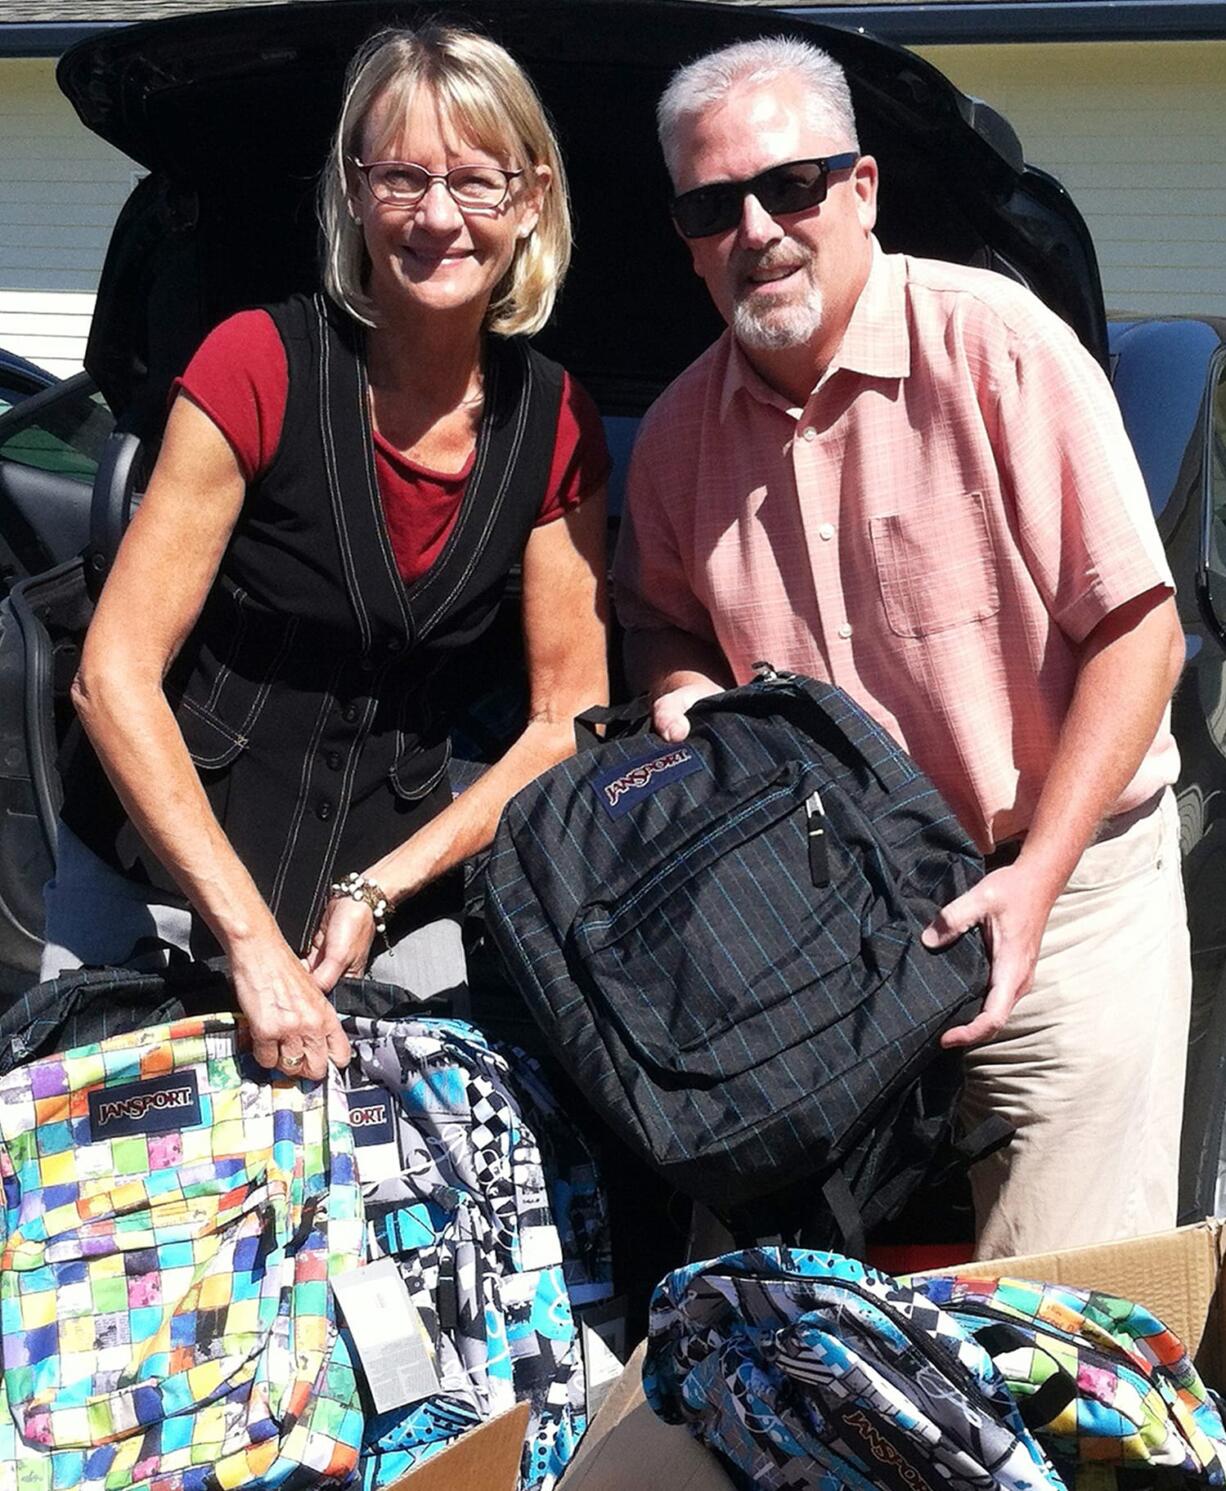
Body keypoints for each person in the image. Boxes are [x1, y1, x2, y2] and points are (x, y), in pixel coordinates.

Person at [612, 36, 1189, 1257]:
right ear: (684, 236)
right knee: (809, 1338)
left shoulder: (998, 349)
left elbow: (1140, 638)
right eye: (713, 206)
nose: (757, 228)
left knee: (1061, 1326)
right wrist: (678, 685)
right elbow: (655, 608)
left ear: (860, 189)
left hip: (1059, 897)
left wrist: (1031, 888)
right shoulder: (672, 438)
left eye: (791, 186)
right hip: (822, 936)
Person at [45, 24, 609, 1083]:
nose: (437, 216)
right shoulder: (256, 364)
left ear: (529, 201)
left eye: (476, 182)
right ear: (354, 191)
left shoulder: (558, 423)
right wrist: (252, 947)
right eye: (403, 177)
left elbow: (561, 724)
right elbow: (111, 677)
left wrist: (379, 889)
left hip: (389, 900)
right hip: (156, 881)